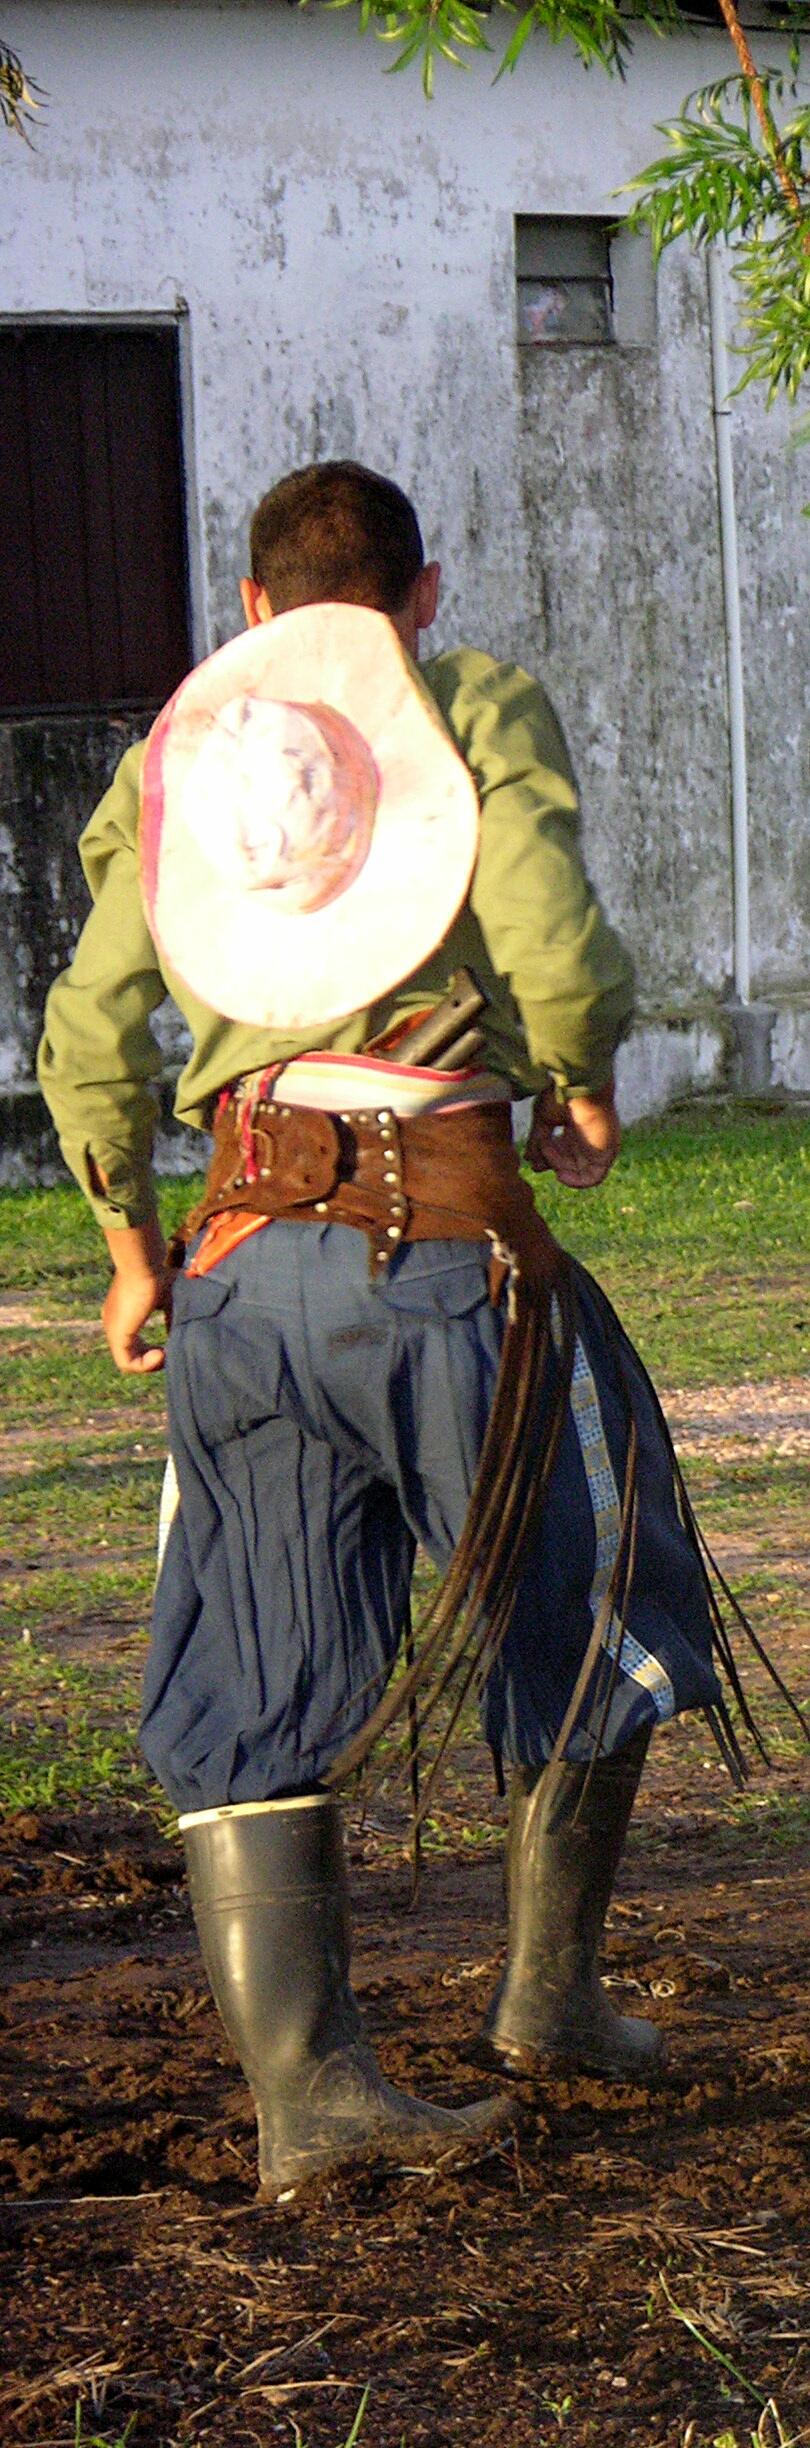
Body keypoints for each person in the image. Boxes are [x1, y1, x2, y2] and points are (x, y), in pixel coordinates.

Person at [38, 460, 724, 2198]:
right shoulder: (464, 696)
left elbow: (91, 1020)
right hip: (439, 1245)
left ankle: (310, 2101)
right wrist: (576, 1080)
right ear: (418, 597)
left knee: (250, 1652)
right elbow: (549, 933)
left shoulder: (176, 756)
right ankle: (544, 1997)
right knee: (597, 1576)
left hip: (237, 1265)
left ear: (256, 612)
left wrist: (129, 1243)